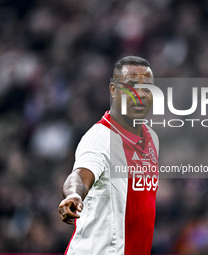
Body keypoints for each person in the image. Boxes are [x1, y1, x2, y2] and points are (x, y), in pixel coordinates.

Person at [58, 56, 159, 255]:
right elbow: (79, 176)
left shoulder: (152, 138)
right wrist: (74, 194)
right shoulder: (102, 137)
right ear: (113, 90)